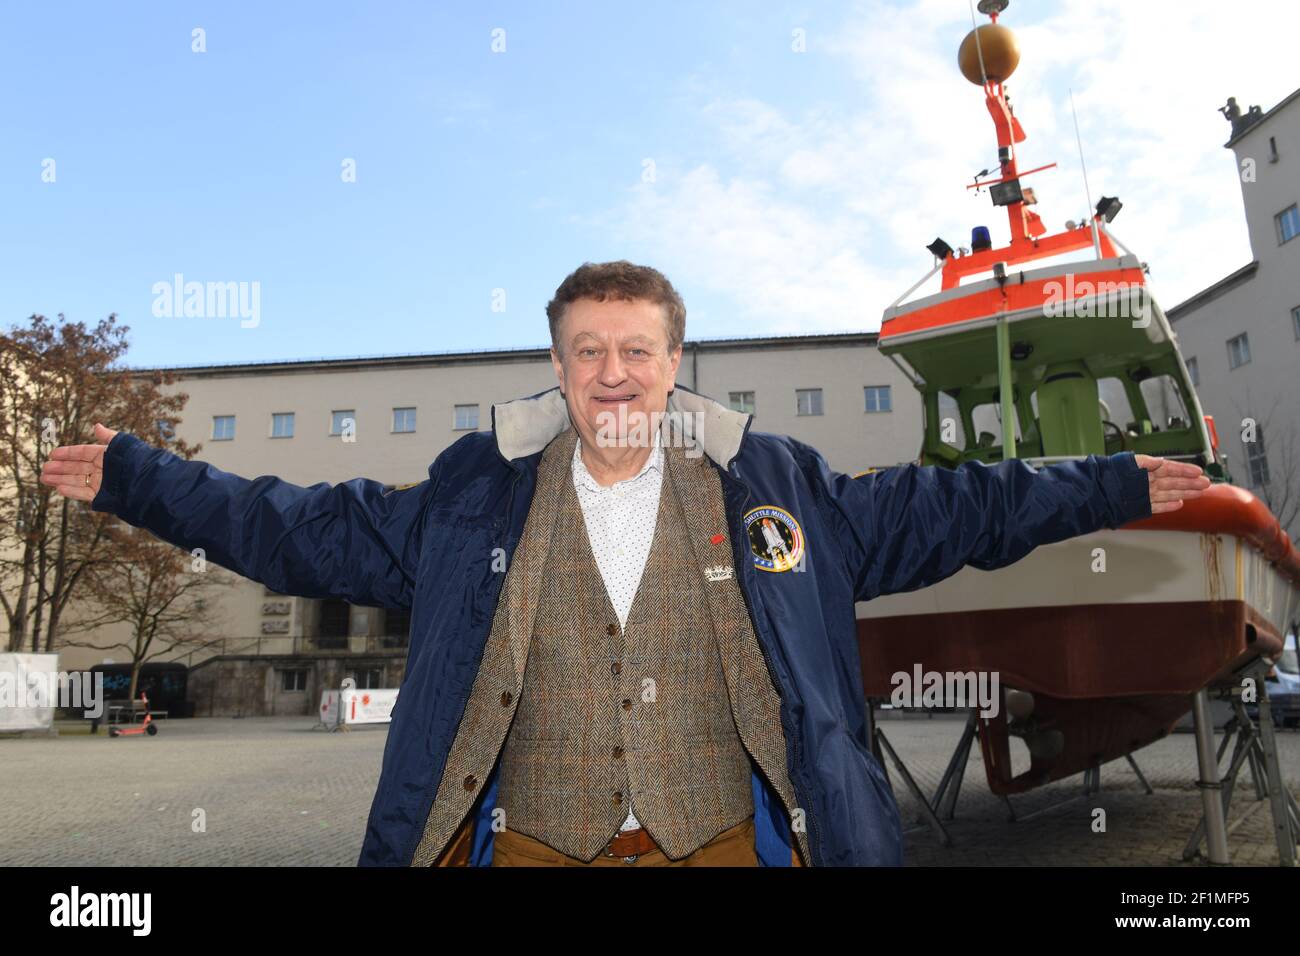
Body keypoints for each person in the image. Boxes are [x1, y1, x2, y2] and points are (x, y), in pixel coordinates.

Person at [41, 260, 1210, 867]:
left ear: (674, 358)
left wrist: (1108, 481)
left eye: (635, 350)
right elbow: (291, 521)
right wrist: (143, 478)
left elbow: (955, 503)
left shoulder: (779, 488)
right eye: (587, 351)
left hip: (725, 842)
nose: (612, 374)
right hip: (537, 843)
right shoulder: (470, 500)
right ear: (556, 363)